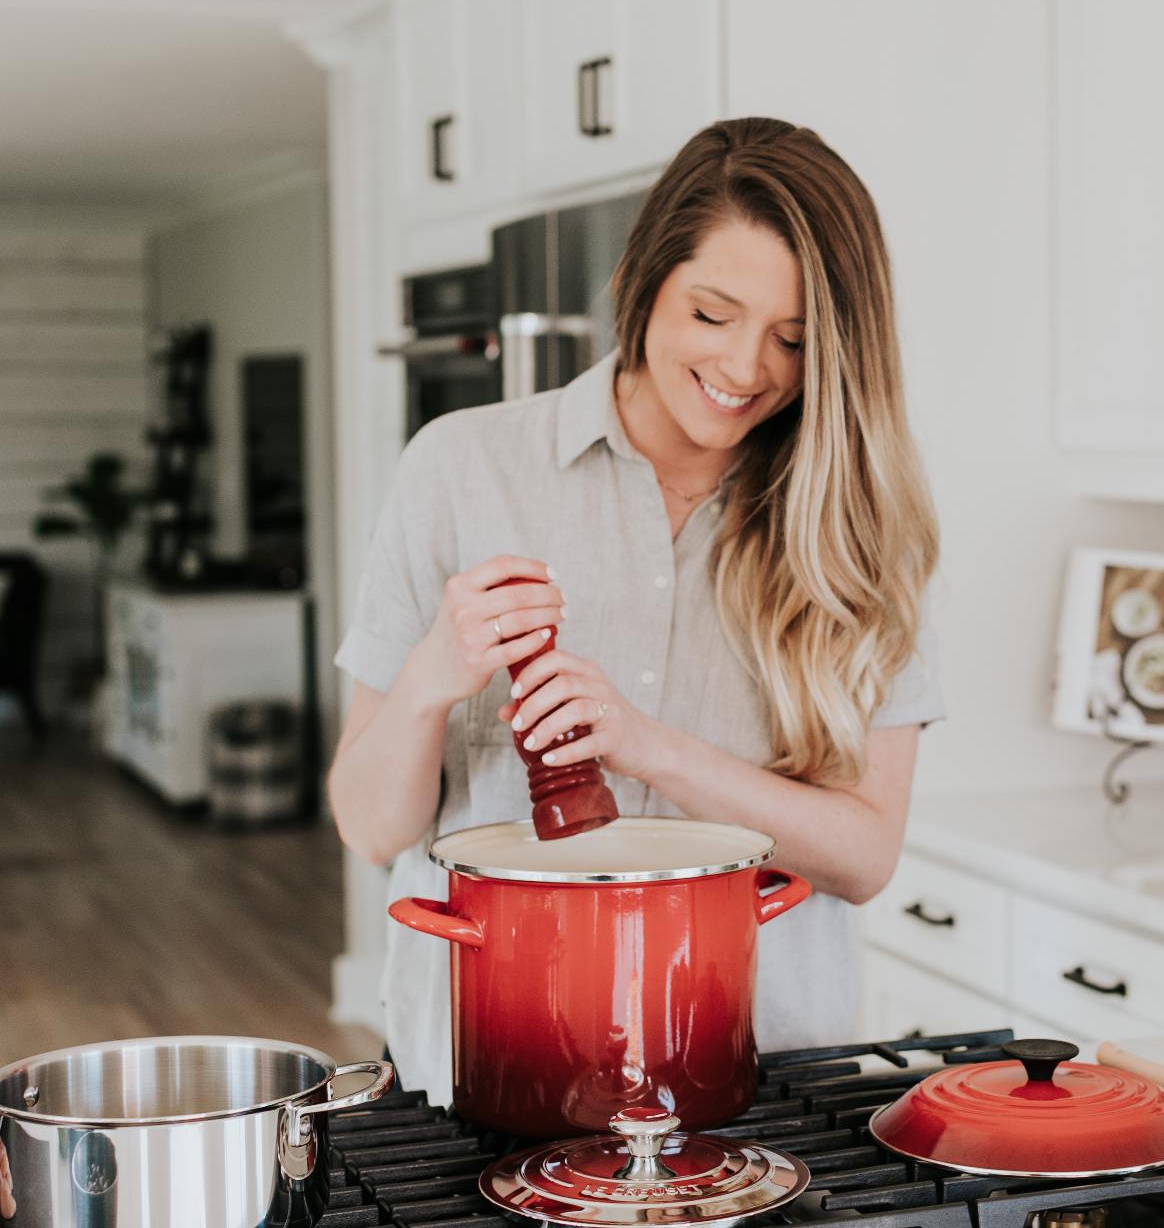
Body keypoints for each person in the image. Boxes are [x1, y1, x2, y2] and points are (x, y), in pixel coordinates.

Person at [329, 116, 944, 1105]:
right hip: (489, 1077)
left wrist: (643, 743)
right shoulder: (461, 466)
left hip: (761, 1087)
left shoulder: (861, 529)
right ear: (643, 282)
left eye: (794, 339)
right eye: (713, 314)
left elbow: (866, 856)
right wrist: (429, 681)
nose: (748, 368)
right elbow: (366, 824)